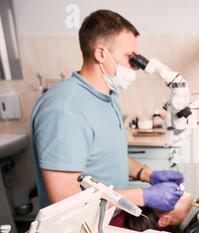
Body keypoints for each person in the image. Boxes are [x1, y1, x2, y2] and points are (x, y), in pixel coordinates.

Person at [31, 9, 183, 212]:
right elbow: (64, 198)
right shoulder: (64, 108)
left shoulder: (107, 98)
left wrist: (147, 174)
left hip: (106, 218)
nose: (136, 66)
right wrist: (142, 196)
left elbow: (107, 156)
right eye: (130, 57)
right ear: (101, 53)